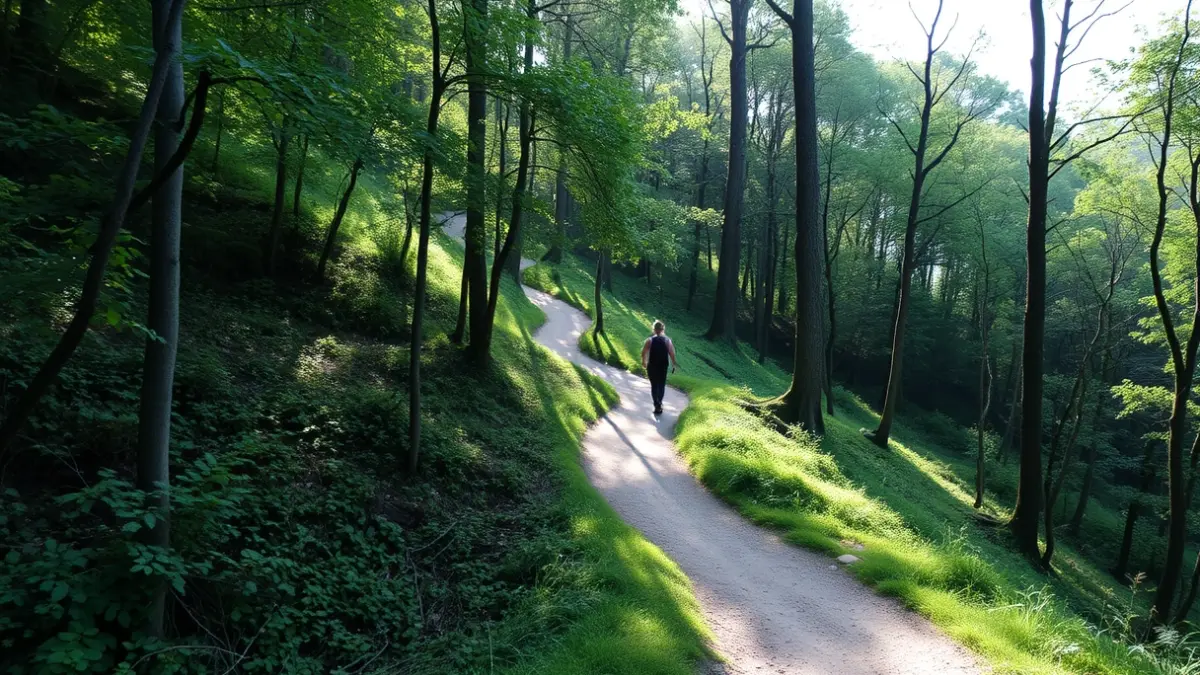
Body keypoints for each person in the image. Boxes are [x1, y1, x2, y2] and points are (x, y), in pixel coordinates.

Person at [641, 320, 679, 416]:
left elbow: (644, 352)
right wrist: (674, 364)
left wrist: (644, 362)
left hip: (652, 365)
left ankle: (656, 404)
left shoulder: (650, 340)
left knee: (654, 385)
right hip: (663, 366)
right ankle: (659, 404)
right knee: (661, 385)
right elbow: (672, 354)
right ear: (663, 329)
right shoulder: (667, 341)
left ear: (654, 329)